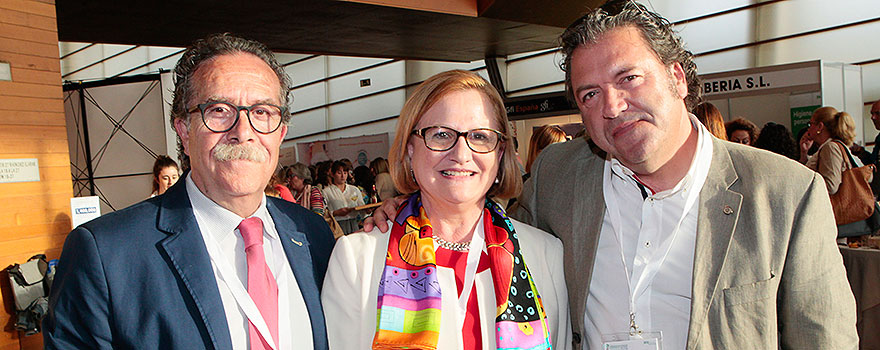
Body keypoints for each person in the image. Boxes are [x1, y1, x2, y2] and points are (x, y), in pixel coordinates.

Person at [365, 2, 857, 349]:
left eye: (628, 78)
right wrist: (408, 212)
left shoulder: (785, 195)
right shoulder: (559, 177)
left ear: (677, 77)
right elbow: (493, 235)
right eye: (590, 94)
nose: (614, 107)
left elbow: (825, 340)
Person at [44, 33, 335, 350]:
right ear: (183, 130)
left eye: (262, 112)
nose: (243, 132)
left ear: (281, 133)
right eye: (220, 110)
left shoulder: (313, 235)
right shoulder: (106, 255)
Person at [322, 69, 571, 350]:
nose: (461, 154)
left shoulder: (546, 255)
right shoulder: (358, 260)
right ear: (410, 149)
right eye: (441, 134)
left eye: (480, 136)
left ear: (499, 153)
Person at [801, 106, 861, 194]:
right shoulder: (830, 147)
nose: (808, 128)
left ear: (820, 127)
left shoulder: (830, 148)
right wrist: (804, 153)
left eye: (811, 124)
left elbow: (830, 186)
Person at [321, 160, 365, 234]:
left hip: (353, 223)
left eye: (345, 173)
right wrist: (335, 213)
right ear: (332, 174)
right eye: (339, 173)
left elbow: (361, 209)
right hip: (337, 225)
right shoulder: (326, 191)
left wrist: (367, 210)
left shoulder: (354, 189)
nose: (343, 176)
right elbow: (323, 213)